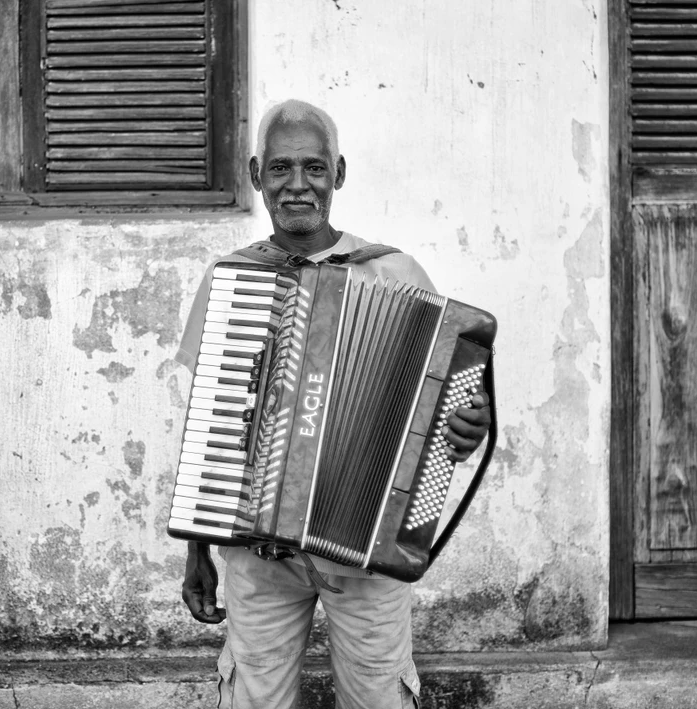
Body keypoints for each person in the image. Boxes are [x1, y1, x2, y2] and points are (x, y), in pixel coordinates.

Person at [174, 99, 492, 708]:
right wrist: (198, 549)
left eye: (314, 168)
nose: (298, 186)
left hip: (366, 555)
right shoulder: (230, 283)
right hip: (256, 550)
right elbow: (206, 426)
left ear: (338, 173)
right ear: (256, 174)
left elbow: (448, 407)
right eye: (281, 169)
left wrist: (466, 425)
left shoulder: (394, 274)